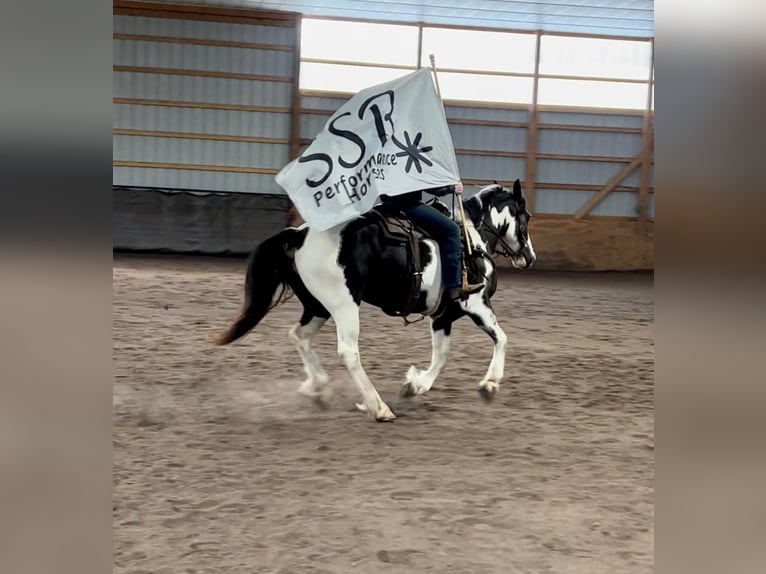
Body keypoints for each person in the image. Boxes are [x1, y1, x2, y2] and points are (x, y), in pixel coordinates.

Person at [380, 181, 484, 301]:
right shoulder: (412, 161)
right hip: (408, 205)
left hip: (385, 204)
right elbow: (428, 184)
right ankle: (454, 286)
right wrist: (451, 188)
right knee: (452, 230)